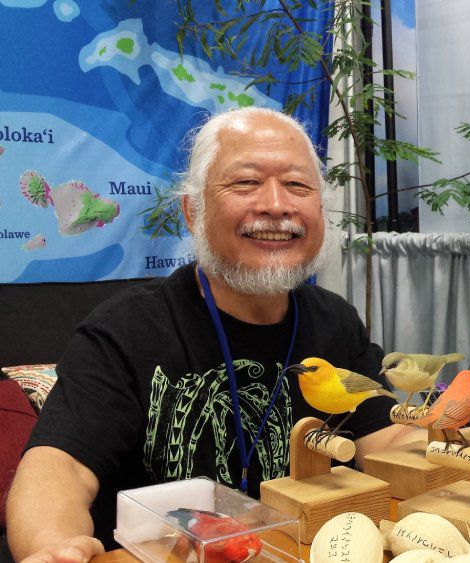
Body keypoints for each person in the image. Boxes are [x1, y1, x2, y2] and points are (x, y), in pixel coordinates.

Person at [6, 107, 421, 562]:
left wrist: (447, 442)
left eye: (298, 185)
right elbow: (60, 466)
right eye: (246, 182)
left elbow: (386, 436)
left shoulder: (336, 322)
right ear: (193, 210)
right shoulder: (126, 329)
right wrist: (53, 545)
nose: (277, 205)